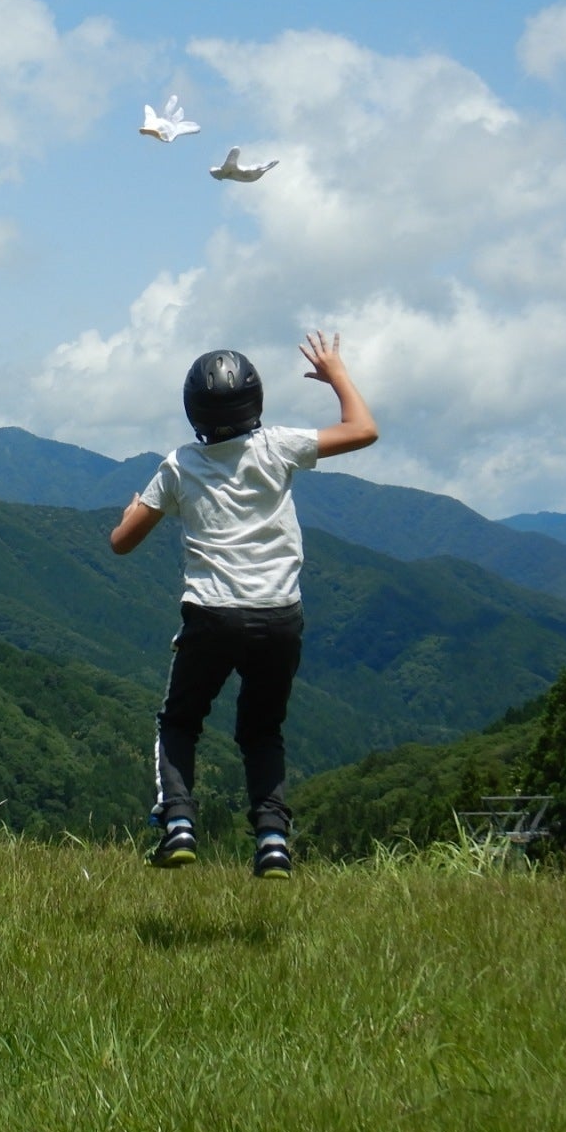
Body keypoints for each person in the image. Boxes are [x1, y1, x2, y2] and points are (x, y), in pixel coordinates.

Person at [110, 332, 378, 880]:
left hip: (210, 615)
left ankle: (178, 824)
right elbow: (363, 430)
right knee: (262, 731)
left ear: (193, 410)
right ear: (255, 402)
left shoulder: (179, 466)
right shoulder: (277, 447)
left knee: (179, 721)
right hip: (279, 615)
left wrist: (132, 510)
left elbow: (122, 543)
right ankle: (273, 840)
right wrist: (336, 375)